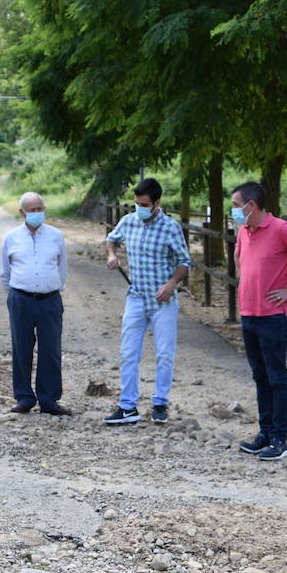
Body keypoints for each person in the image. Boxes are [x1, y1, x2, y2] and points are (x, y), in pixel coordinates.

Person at [228, 181, 287, 460]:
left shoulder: (280, 229)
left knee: (276, 377)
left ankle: (280, 439)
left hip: (273, 317)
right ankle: (265, 433)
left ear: (251, 205)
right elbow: (239, 258)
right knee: (260, 376)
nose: (233, 210)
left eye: (235, 205)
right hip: (249, 313)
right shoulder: (245, 231)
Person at [102, 177, 192, 426]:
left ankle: (160, 402)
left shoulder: (170, 227)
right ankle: (127, 406)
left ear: (156, 203)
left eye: (144, 204)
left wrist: (172, 283)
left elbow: (184, 262)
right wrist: (112, 255)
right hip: (136, 297)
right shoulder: (129, 221)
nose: (139, 208)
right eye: (137, 203)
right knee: (128, 352)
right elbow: (112, 238)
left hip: (163, 301)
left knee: (164, 353)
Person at [0, 192, 72, 415]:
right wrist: (17, 293)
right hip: (21, 298)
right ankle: (24, 397)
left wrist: (51, 287)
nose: (37, 213)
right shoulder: (11, 238)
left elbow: (62, 268)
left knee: (51, 350)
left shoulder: (56, 236)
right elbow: (5, 272)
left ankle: (49, 399)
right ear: (22, 212)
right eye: (32, 210)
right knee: (21, 348)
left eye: (40, 208)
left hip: (50, 299)